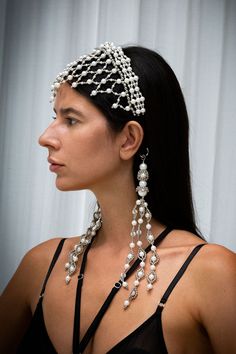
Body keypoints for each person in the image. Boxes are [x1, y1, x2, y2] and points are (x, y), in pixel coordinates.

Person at [0, 42, 235, 354]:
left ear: (129, 139)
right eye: (55, 117)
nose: (46, 137)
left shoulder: (210, 274)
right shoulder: (39, 266)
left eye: (70, 120)